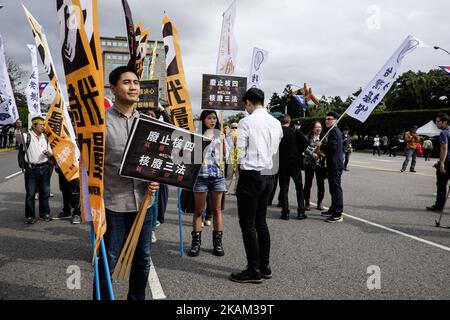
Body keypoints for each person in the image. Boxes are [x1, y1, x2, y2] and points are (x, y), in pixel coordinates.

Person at [97, 66, 159, 300]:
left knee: (143, 258)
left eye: (136, 82)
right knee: (109, 260)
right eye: (126, 82)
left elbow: (157, 161)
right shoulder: (101, 124)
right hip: (114, 203)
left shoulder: (148, 124)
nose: (133, 87)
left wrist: (156, 180)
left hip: (145, 203)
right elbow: (90, 166)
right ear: (113, 88)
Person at [230, 88, 283, 284]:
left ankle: (253, 269)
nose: (246, 108)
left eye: (246, 104)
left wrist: (235, 170)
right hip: (269, 175)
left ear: (249, 103)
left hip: (251, 175)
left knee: (248, 224)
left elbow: (240, 151)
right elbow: (275, 148)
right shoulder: (276, 123)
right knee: (261, 222)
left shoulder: (246, 122)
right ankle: (265, 265)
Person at [188, 110, 228, 257]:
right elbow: (191, 156)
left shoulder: (221, 135)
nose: (212, 120)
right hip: (201, 177)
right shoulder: (197, 135)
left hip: (218, 176)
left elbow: (226, 156)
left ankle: (218, 243)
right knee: (199, 211)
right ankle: (196, 243)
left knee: (216, 210)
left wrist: (223, 142)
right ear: (203, 120)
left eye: (214, 118)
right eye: (209, 118)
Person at [23, 116, 53, 224]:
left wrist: (48, 153)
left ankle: (44, 213)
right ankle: (30, 216)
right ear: (34, 125)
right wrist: (18, 127)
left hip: (44, 168)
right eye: (41, 124)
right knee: (30, 194)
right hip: (31, 169)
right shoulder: (27, 136)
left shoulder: (45, 137)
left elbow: (51, 152)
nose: (43, 127)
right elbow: (18, 137)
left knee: (45, 193)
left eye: (43, 124)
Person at [278, 114, 308, 220]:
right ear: (289, 121)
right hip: (295, 163)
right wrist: (298, 151)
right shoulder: (295, 132)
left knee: (284, 188)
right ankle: (301, 211)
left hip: (282, 163)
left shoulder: (277, 132)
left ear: (280, 122)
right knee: (299, 188)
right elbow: (306, 143)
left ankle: (285, 212)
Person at [320, 112, 344, 223]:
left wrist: (321, 146)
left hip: (335, 165)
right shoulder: (333, 131)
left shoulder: (334, 131)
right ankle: (333, 209)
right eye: (326, 119)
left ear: (335, 120)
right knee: (332, 189)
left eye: (329, 119)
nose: (327, 121)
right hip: (333, 164)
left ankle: (338, 214)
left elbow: (332, 147)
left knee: (336, 189)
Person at [426, 113, 450, 212]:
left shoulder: (444, 133)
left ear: (445, 122)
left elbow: (444, 148)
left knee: (441, 185)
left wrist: (442, 163)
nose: (436, 123)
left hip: (447, 161)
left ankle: (439, 206)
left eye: (438, 121)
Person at [303, 121, 327, 211]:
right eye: (316, 127)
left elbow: (327, 148)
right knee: (308, 183)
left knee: (321, 184)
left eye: (320, 127)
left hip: (320, 164)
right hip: (309, 163)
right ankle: (307, 202)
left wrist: (320, 149)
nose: (318, 129)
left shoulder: (324, 137)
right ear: (312, 129)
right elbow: (304, 147)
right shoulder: (307, 137)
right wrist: (311, 154)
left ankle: (320, 202)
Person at [226, 122, 239, 195]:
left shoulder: (239, 135)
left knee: (237, 175)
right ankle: (226, 189)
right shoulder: (228, 136)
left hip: (238, 157)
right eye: (233, 127)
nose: (234, 129)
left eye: (236, 128)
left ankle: (235, 190)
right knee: (229, 174)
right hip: (231, 157)